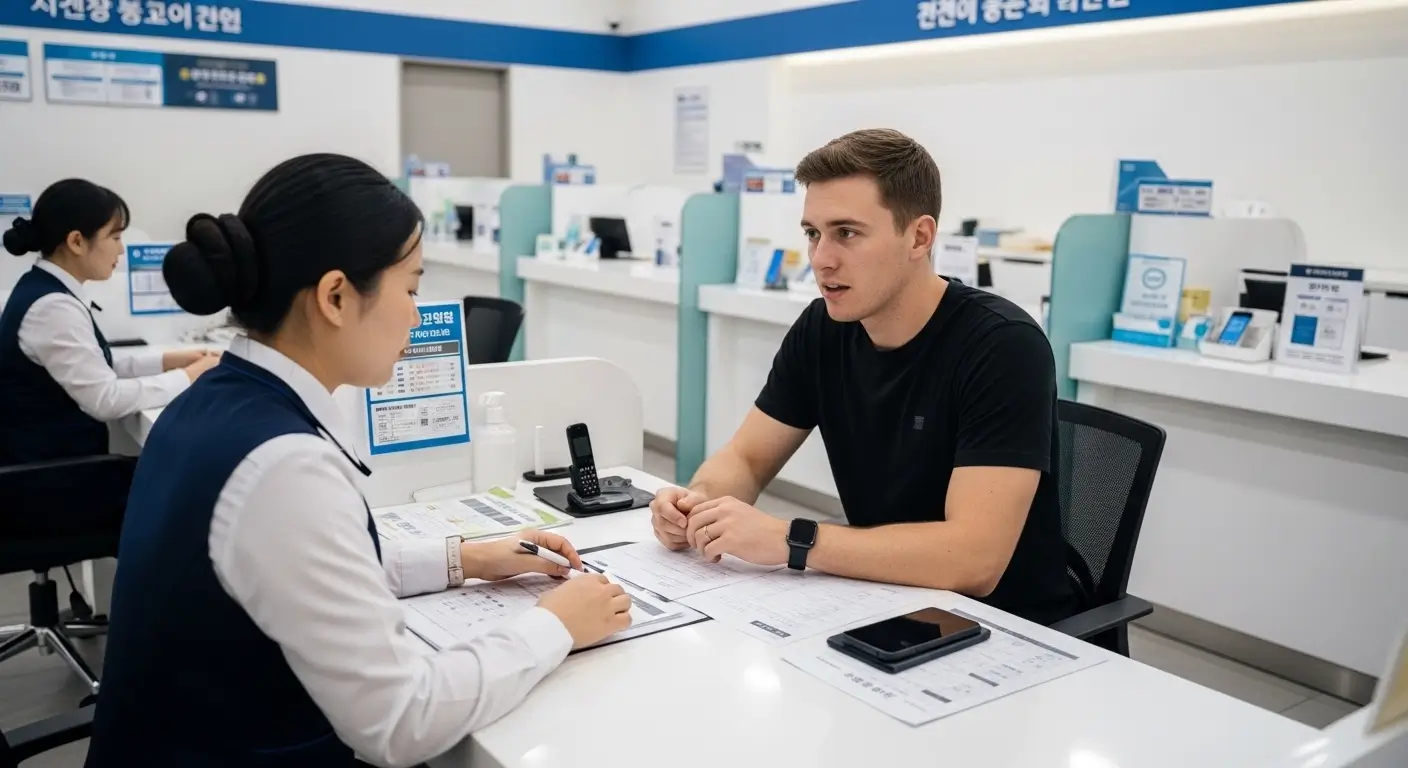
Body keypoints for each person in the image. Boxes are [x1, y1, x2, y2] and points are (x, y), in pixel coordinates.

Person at [86, 155, 632, 768]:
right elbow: (401, 723)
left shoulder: (214, 401)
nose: (419, 314)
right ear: (337, 297)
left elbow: (297, 567)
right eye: (412, 288)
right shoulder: (282, 466)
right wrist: (554, 625)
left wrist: (467, 558)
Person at [650, 129, 1078, 626]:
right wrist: (698, 505)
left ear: (919, 237)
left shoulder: (1003, 345)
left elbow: (974, 560)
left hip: (1006, 627)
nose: (821, 259)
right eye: (813, 233)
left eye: (847, 233)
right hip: (882, 599)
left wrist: (792, 540)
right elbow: (746, 457)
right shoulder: (823, 328)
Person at [0, 179, 218, 467]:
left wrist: (167, 361)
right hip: (48, 480)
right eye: (114, 238)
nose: (121, 250)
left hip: (51, 465)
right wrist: (190, 377)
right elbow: (105, 398)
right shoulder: (52, 307)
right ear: (76, 241)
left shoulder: (44, 290)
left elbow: (90, 368)